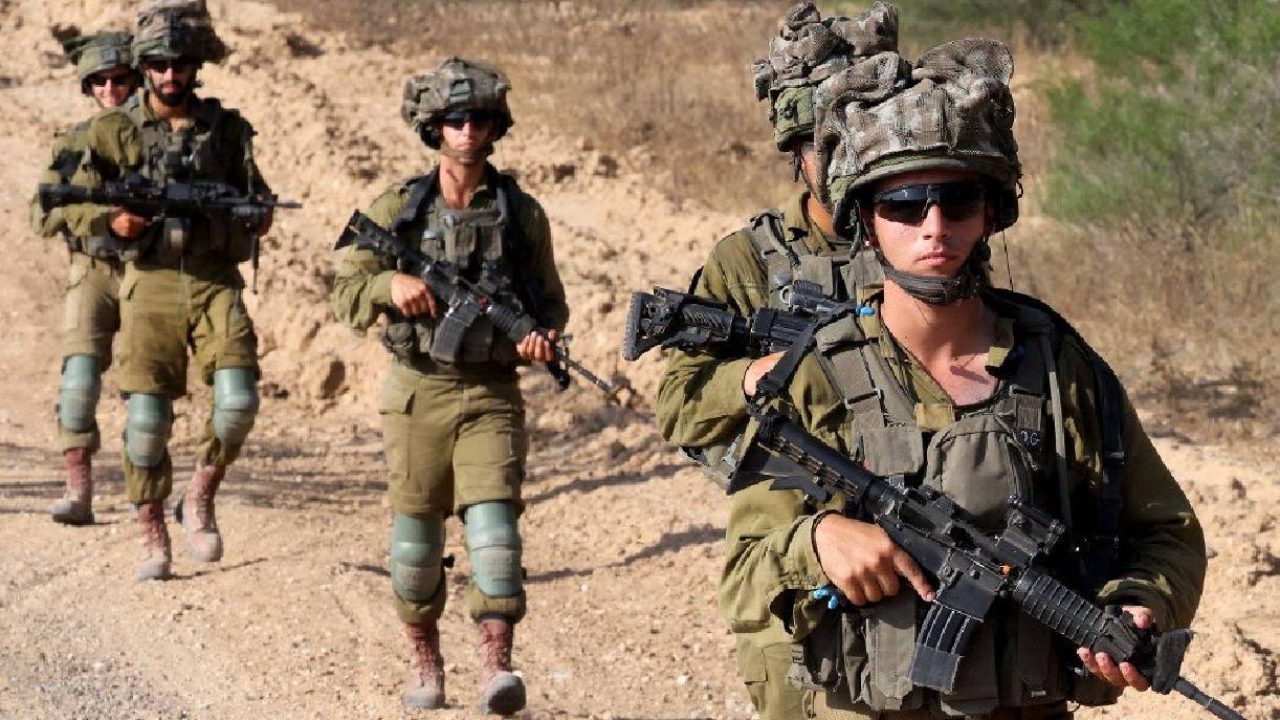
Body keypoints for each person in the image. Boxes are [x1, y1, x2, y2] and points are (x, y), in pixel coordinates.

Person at [715, 16, 1207, 720]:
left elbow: (1168, 530)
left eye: (958, 200)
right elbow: (742, 576)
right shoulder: (816, 375)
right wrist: (816, 541)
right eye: (904, 203)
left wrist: (1143, 600)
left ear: (991, 212)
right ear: (866, 218)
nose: (934, 227)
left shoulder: (1057, 365)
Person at [655, 3, 891, 717]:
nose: (849, 167)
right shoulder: (748, 262)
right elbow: (679, 405)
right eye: (831, 147)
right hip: (789, 551)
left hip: (909, 533)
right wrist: (755, 376)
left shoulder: (924, 244)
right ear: (796, 149)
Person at [330, 57, 568, 715]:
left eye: (479, 119)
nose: (466, 131)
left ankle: (496, 667)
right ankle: (425, 663)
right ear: (433, 127)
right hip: (418, 390)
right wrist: (388, 284)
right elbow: (345, 287)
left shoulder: (521, 213)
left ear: (496, 126)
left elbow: (551, 303)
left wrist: (536, 336)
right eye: (454, 120)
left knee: (495, 533)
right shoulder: (399, 210)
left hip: (491, 392)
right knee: (416, 545)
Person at [64, 0, 272, 582]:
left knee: (237, 402)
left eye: (182, 63)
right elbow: (65, 202)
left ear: (198, 64)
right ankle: (153, 531)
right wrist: (111, 223)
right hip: (149, 284)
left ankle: (200, 493)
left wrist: (257, 215)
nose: (171, 74)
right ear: (144, 64)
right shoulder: (112, 131)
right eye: (158, 63)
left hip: (213, 281)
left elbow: (258, 193)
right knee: (147, 423)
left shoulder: (226, 129)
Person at [30, 30, 141, 527]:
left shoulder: (157, 140)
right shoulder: (75, 143)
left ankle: (148, 498)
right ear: (88, 87)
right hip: (93, 268)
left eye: (120, 80)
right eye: (101, 82)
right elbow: (43, 214)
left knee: (146, 391)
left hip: (149, 269)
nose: (111, 90)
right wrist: (101, 219)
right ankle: (77, 489)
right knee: (79, 382)